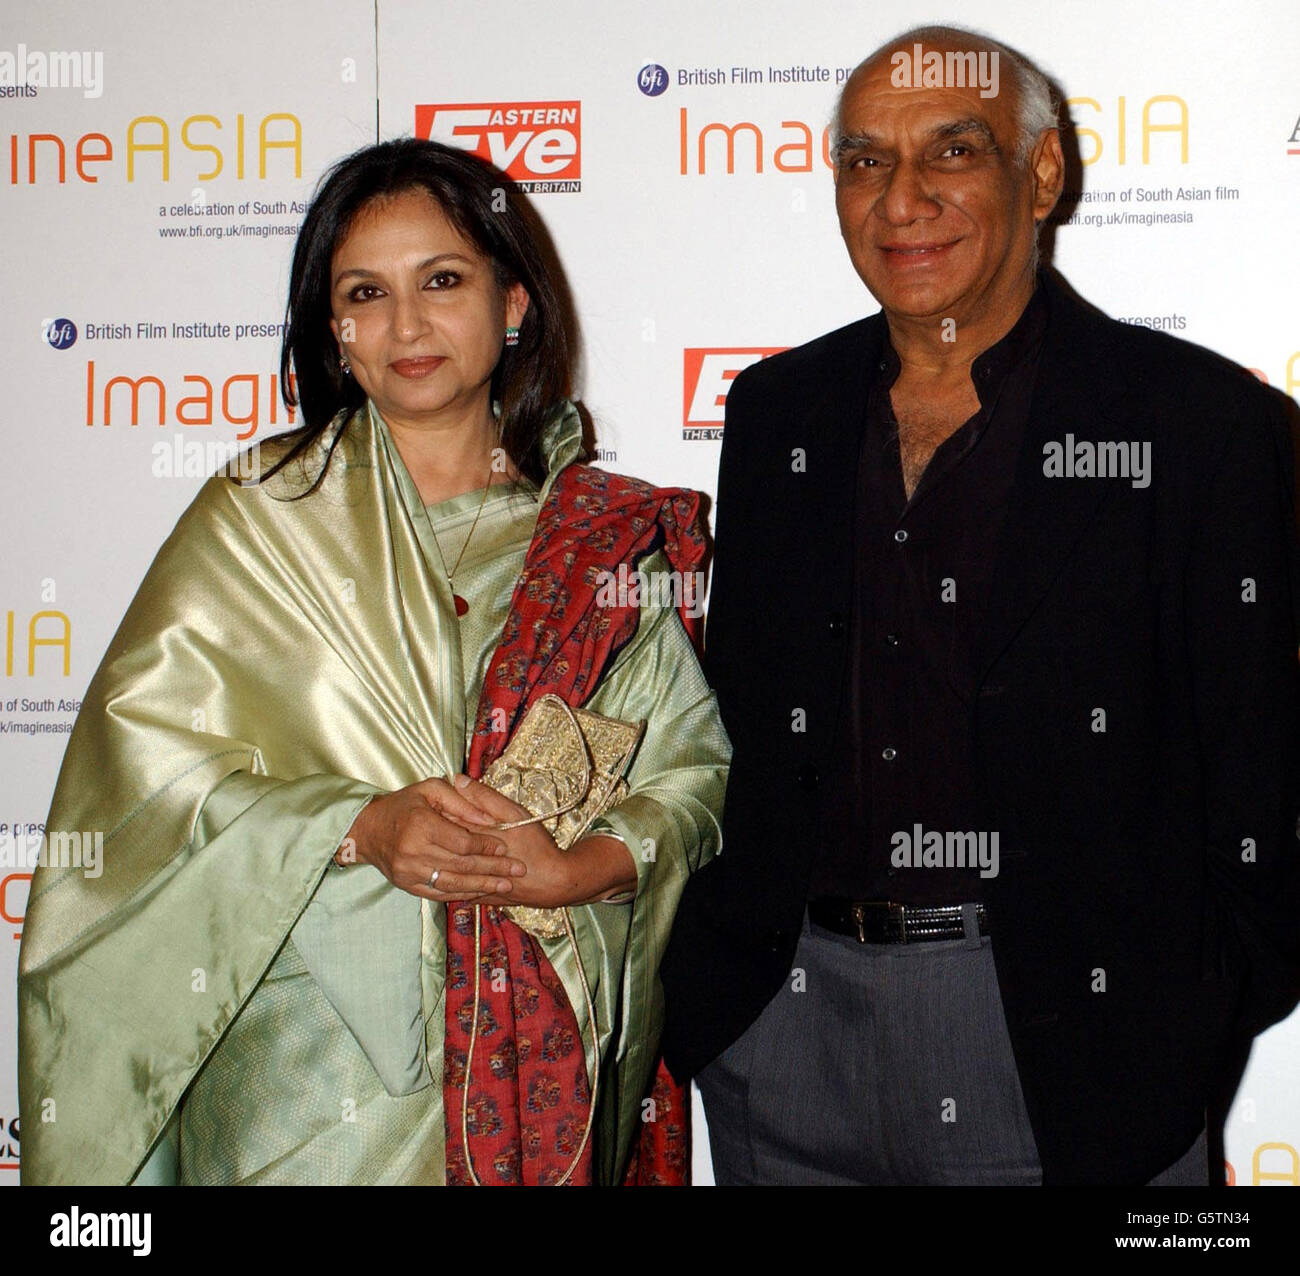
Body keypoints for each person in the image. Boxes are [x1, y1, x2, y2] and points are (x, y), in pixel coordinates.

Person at [18, 138, 729, 1186]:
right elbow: (142, 798)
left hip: (536, 1064)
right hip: (297, 1072)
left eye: (442, 280)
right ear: (333, 330)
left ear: (514, 302)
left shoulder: (596, 537)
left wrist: (578, 866)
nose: (407, 325)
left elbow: (690, 778)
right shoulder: (258, 521)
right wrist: (356, 827)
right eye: (366, 293)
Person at [661, 23, 1300, 1185]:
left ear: (1041, 173)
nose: (899, 199)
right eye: (863, 162)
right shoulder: (775, 412)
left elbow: (1267, 766)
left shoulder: (1201, 427)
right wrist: (727, 1016)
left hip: (1072, 1051)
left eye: (949, 152)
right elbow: (742, 720)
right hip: (781, 1023)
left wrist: (1181, 1011)